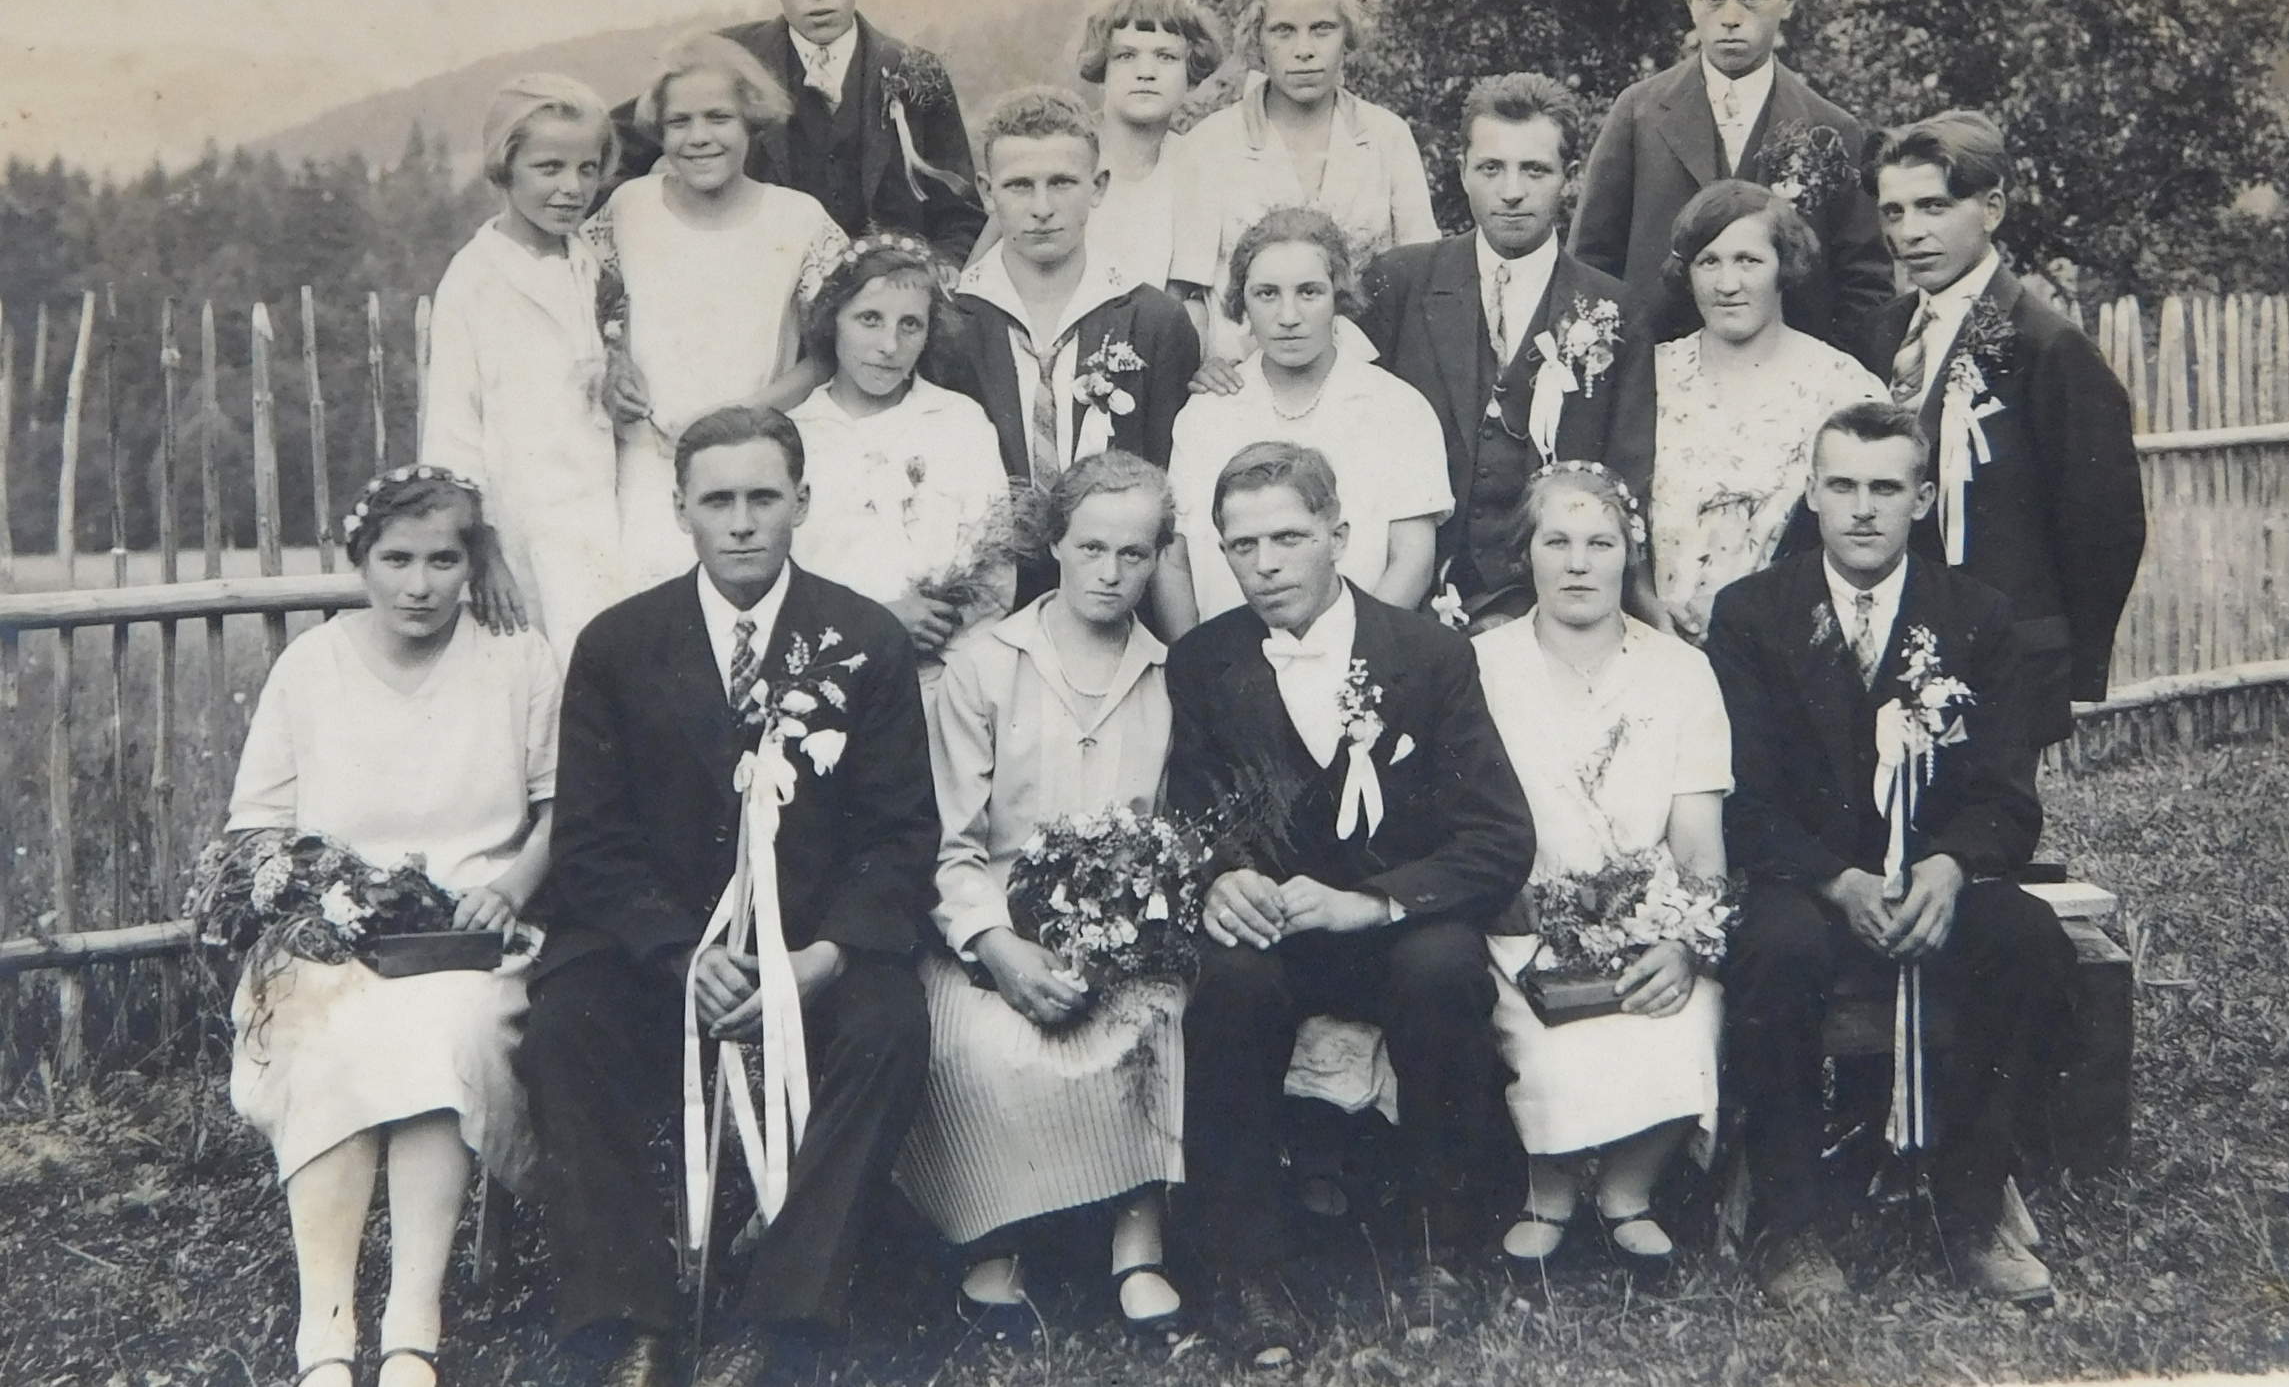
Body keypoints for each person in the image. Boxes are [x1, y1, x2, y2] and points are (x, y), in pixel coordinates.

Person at [516, 405, 938, 1387]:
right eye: (717, 501)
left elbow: (899, 835)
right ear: (681, 510)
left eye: (762, 497)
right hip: (655, 948)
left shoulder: (863, 638)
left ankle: (784, 1313)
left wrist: (824, 956)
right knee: (566, 1026)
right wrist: (681, 954)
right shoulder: (618, 644)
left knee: (890, 1025)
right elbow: (591, 840)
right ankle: (631, 1316)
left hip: (810, 945)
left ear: (802, 501)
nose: (742, 522)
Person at [1167, 441, 1534, 1366]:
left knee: (1443, 968)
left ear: (1339, 535)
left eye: (1288, 538)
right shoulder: (1204, 661)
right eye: (1242, 545)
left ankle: (1442, 1248)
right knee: (1230, 985)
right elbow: (1195, 811)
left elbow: (1499, 838)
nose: (1266, 564)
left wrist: (1374, 903)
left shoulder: (1429, 655)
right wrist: (1221, 877)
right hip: (1279, 932)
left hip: (1394, 927)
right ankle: (1249, 1268)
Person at [1706, 401, 2075, 1310]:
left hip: (1933, 881)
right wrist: (1838, 881)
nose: (1863, 509)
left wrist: (1950, 868)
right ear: (1811, 493)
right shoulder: (1752, 613)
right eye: (1842, 486)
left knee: (2029, 940)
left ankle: (1973, 1205)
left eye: (1885, 487)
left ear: (1923, 497)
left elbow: (2006, 795)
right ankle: (1791, 1225)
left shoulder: (1976, 616)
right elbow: (1744, 799)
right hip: (1810, 882)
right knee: (1775, 948)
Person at [223, 467, 559, 1387]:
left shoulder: (515, 657)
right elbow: (258, 826)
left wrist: (511, 887)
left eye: (443, 560)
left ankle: (413, 1321)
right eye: (397, 559)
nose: (419, 585)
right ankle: (326, 1330)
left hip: (468, 938)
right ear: (360, 561)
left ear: (472, 565)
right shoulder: (312, 666)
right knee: (324, 1032)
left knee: (443, 1031)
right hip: (331, 939)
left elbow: (560, 806)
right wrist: (317, 900)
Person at [896, 451, 1187, 1335]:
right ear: (1054, 542)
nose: (1109, 573)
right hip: (993, 923)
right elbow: (948, 843)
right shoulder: (985, 666)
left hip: (1124, 929)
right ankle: (1005, 1233)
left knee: (1152, 1019)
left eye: (1133, 555)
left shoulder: (1170, 675)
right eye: (1091, 547)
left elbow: (1173, 833)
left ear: (1157, 559)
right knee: (981, 1042)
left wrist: (1128, 926)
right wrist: (996, 945)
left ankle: (1137, 1239)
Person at [1475, 464, 1729, 1277]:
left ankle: (1628, 1191)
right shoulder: (1479, 666)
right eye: (1557, 542)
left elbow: (1699, 843)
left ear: (1630, 555)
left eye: (1600, 543)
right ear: (1527, 553)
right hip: (1519, 921)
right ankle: (1547, 1188)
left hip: (1647, 921)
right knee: (1540, 1037)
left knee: (1682, 1015)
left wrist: (1683, 941)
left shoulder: (1681, 671)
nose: (1579, 563)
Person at [1859, 109, 2145, 748]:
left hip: (2004, 656)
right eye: (1893, 212)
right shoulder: (1880, 334)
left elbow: (2106, 524)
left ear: (1991, 209)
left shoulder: (2049, 347)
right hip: (1890, 643)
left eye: (1934, 207)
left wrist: (2056, 660)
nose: (1910, 232)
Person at [1357, 73, 1659, 630]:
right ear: (1462, 171)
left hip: (1550, 608)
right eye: (1491, 168)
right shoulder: (1399, 284)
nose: (1512, 191)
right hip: (1414, 601)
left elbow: (1627, 478)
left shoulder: (1614, 308)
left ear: (1570, 177)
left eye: (1535, 170)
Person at [592, 32, 850, 588]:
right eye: (679, 122)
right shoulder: (630, 207)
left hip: (755, 465)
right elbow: (587, 308)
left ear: (751, 121)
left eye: (719, 118)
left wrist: (742, 416)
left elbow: (830, 356)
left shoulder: (798, 219)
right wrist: (612, 361)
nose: (699, 138)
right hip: (647, 465)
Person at [1566, 0, 1888, 357]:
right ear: (1688, 1)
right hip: (1655, 373)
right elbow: (1590, 261)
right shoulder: (1638, 113)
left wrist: (1828, 377)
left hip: (1789, 380)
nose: (1731, 18)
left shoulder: (1831, 130)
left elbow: (1865, 287)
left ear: (1790, 0)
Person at [615, 0, 983, 265]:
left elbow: (961, 216)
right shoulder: (726, 60)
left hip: (888, 293)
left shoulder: (915, 70)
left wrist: (930, 279)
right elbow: (611, 149)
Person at [420, 73, 630, 655]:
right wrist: (482, 551)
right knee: (537, 672)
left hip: (600, 519)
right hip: (520, 529)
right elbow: (452, 431)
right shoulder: (476, 278)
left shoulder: (589, 262)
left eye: (588, 169)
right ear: (505, 168)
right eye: (549, 168)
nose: (572, 188)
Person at [1162, 207, 1450, 633]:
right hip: (1227, 661)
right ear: (1242, 301)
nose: (1288, 316)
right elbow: (1174, 562)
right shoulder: (1206, 414)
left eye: (1309, 292)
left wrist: (1354, 655)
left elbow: (1411, 561)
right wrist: (1195, 660)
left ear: (1338, 297)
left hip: (1358, 656)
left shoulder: (1398, 409)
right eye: (1267, 294)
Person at [1168, 0, 1438, 364]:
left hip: (1370, 374)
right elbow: (1187, 292)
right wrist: (1203, 366)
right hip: (1243, 378)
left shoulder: (1387, 137)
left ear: (1347, 34)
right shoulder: (1209, 144)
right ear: (1257, 39)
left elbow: (1425, 276)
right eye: (1283, 30)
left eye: (1322, 28)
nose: (1304, 49)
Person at [1645, 180, 1885, 641]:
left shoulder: (1842, 388)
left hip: (1788, 644)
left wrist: (1741, 612)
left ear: (1784, 267)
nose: (1727, 284)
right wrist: (1653, 612)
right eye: (1708, 262)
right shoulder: (1651, 377)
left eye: (1748, 261)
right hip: (1659, 644)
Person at [943, 88, 1199, 488]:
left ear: (1098, 186)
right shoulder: (948, 319)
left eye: (1062, 183)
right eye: (1019, 185)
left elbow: (1170, 474)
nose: (1042, 208)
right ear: (987, 192)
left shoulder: (1154, 320)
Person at [788, 235, 1014, 677]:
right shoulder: (796, 434)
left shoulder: (959, 422)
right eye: (869, 319)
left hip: (945, 674)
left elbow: (996, 568)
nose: (889, 345)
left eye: (910, 324)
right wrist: (878, 626)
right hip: (825, 673)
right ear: (833, 321)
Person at [1077, 0, 1229, 291]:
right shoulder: (1062, 151)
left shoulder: (1197, 169)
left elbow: (1179, 298)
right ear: (1102, 69)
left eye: (1166, 56)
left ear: (1190, 72)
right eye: (1126, 55)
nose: (1146, 72)